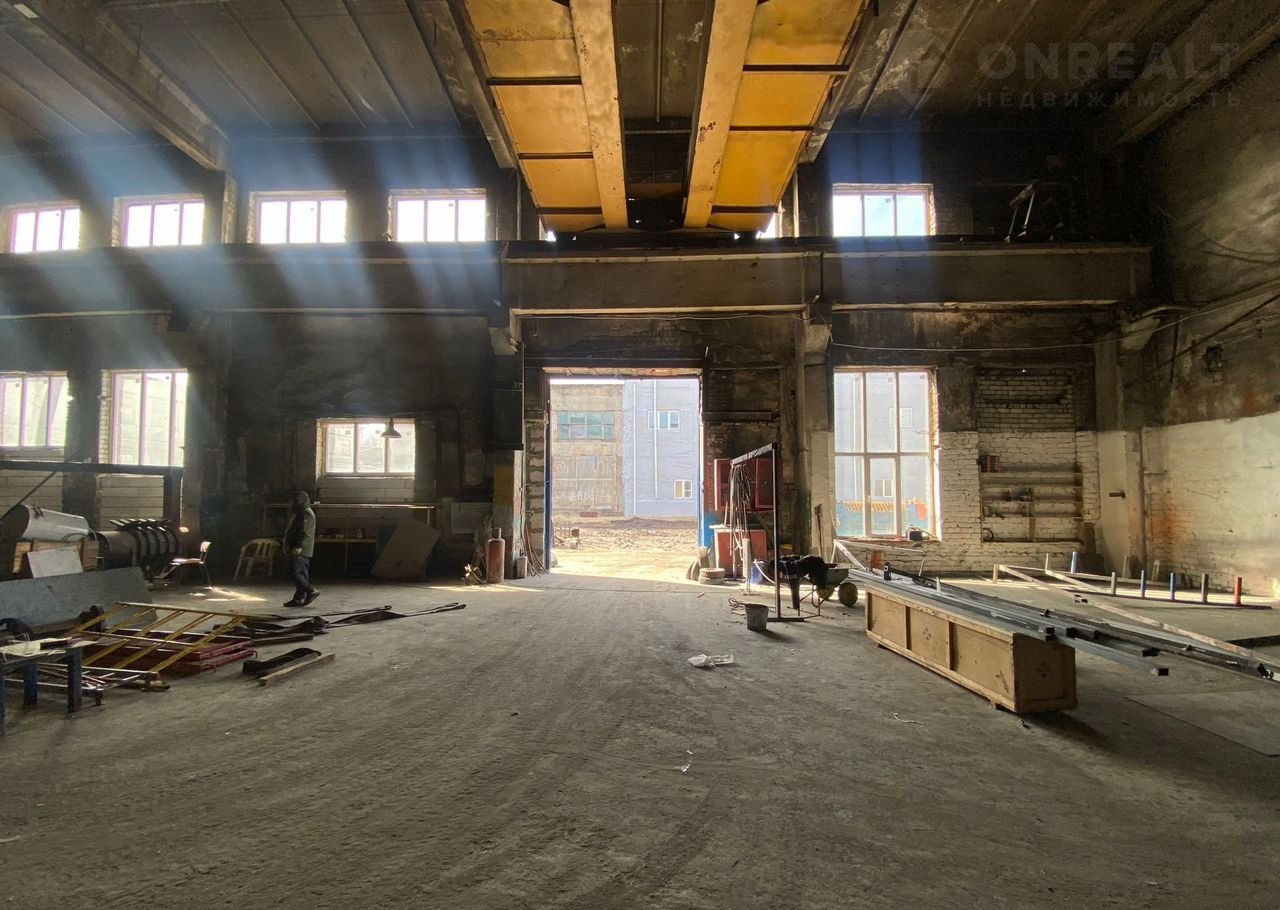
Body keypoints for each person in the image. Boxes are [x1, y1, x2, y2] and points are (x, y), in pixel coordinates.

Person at [283, 490, 319, 607]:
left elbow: (303, 531)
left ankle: (311, 590)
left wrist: (298, 546)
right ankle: (299, 598)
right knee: (301, 574)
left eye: (292, 500)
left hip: (301, 549)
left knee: (295, 573)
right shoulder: (299, 512)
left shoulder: (305, 513)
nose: (290, 503)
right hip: (299, 548)